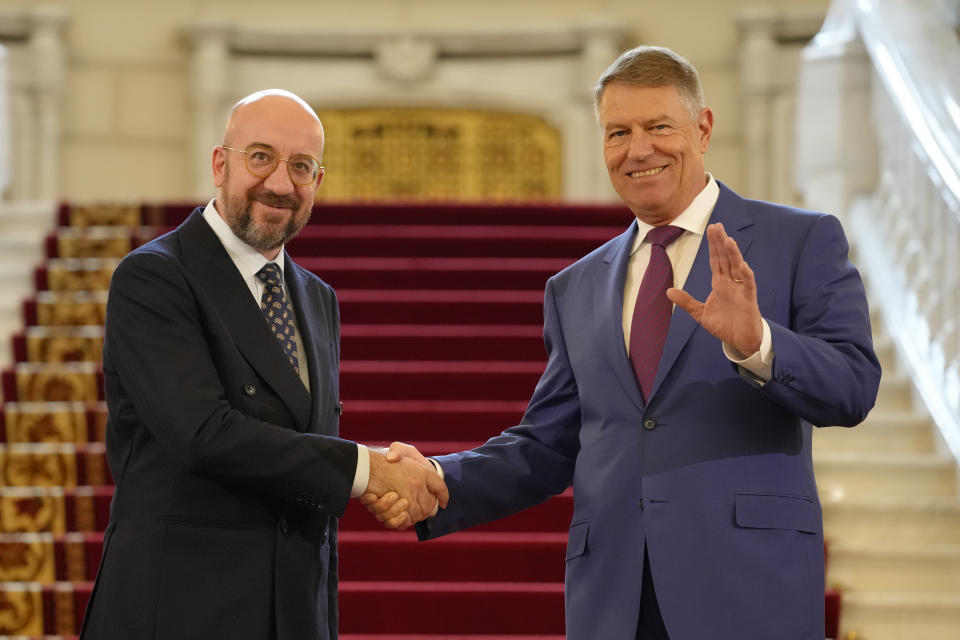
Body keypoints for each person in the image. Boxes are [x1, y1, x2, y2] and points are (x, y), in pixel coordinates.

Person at [363, 46, 881, 640]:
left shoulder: (801, 239)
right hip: (614, 599)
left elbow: (853, 387)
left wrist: (758, 342)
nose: (639, 149)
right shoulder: (575, 286)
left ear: (704, 127)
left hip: (748, 589)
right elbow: (547, 445)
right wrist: (438, 478)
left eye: (659, 126)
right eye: (618, 132)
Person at [79, 89, 448, 640]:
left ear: (317, 183)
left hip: (293, 611)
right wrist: (370, 472)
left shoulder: (317, 297)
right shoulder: (154, 277)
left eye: (301, 166)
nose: (280, 183)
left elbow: (298, 445)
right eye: (260, 157)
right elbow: (203, 433)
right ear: (219, 163)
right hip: (178, 609)